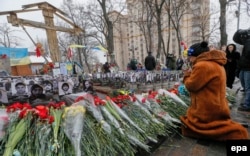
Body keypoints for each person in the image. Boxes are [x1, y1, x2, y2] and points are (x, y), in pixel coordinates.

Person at [180, 41, 248, 140]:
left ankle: (236, 135)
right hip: (217, 106)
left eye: (191, 56)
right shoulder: (215, 63)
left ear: (197, 55)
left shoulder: (202, 65)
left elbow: (191, 86)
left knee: (190, 128)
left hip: (207, 110)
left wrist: (186, 75)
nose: (190, 59)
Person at [233, 29, 250, 112]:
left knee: (248, 87)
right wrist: (238, 32)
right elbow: (235, 39)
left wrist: (247, 40)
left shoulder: (248, 42)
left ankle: (248, 105)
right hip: (243, 67)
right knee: (244, 85)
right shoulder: (246, 41)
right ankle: (247, 102)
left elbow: (248, 52)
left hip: (248, 68)